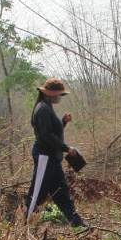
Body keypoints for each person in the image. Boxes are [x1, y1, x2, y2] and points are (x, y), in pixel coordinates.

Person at [26, 77, 86, 228]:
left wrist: (63, 122)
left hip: (53, 159)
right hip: (44, 158)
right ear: (51, 94)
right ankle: (23, 224)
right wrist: (66, 148)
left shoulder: (47, 107)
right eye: (59, 94)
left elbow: (51, 132)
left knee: (61, 193)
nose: (60, 97)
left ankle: (77, 224)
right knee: (37, 194)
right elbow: (46, 136)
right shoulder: (42, 109)